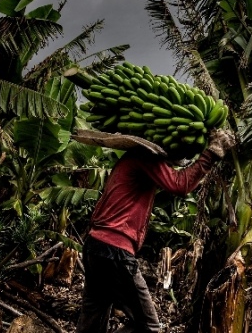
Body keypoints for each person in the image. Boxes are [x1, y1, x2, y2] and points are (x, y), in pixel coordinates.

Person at [75, 129, 235, 333]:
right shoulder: (146, 157)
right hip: (114, 250)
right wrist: (210, 154)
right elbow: (180, 184)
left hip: (95, 246)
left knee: (92, 321)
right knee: (148, 325)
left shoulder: (130, 159)